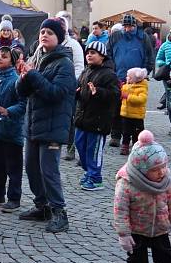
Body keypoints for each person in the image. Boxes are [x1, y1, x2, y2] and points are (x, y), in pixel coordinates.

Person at [16, 18, 77, 233]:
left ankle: (59, 212)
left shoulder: (65, 64)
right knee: (31, 167)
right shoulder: (36, 58)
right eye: (42, 31)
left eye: (50, 32)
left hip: (54, 125)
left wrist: (32, 75)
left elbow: (56, 93)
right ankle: (42, 206)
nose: (44, 35)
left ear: (59, 38)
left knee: (48, 170)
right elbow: (21, 92)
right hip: (33, 123)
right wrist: (24, 76)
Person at [114, 130, 171, 263]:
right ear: (142, 169)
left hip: (161, 229)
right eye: (155, 170)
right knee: (137, 262)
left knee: (166, 261)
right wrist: (124, 234)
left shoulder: (166, 180)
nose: (161, 172)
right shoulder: (127, 183)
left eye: (163, 166)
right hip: (137, 230)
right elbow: (120, 209)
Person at [0, 46, 26, 210]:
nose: (0, 58)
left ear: (12, 61)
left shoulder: (16, 80)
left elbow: (23, 103)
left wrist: (9, 111)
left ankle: (14, 197)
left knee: (13, 166)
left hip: (12, 129)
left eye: (5, 56)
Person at [74, 40, 120, 191]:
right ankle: (89, 172)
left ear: (102, 56)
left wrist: (98, 92)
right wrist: (77, 93)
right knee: (80, 146)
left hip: (98, 121)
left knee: (93, 150)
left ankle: (95, 178)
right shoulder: (85, 71)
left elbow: (115, 95)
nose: (89, 55)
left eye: (93, 53)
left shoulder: (109, 74)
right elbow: (80, 88)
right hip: (82, 119)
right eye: (87, 52)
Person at [107, 13, 155, 147]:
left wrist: (143, 73)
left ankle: (136, 137)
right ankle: (115, 134)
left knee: (135, 108)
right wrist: (111, 72)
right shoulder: (115, 36)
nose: (128, 29)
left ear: (135, 26)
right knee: (116, 107)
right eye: (126, 26)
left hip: (137, 79)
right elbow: (108, 53)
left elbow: (149, 56)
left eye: (131, 26)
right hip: (118, 77)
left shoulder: (143, 37)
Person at [56, 11, 86, 161]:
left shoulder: (73, 45)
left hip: (70, 88)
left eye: (61, 25)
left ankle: (71, 148)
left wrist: (72, 84)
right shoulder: (49, 43)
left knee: (71, 118)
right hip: (53, 89)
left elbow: (79, 66)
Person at [119, 67, 148, 155]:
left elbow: (141, 100)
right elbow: (121, 92)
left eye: (129, 77)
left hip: (137, 116)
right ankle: (125, 146)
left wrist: (128, 96)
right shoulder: (126, 86)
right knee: (125, 132)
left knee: (137, 133)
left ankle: (137, 147)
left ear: (136, 79)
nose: (127, 78)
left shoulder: (142, 88)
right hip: (126, 114)